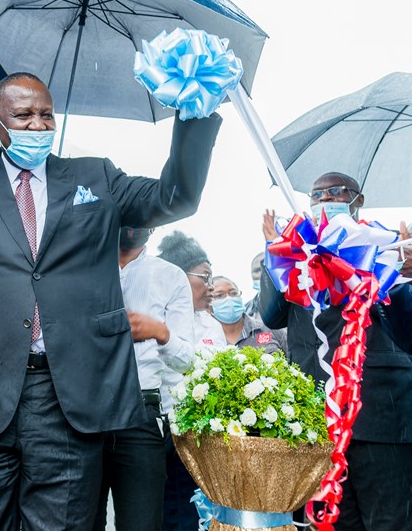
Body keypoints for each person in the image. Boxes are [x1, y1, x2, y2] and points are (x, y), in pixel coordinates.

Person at [0, 72, 222, 530]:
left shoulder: (96, 176)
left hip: (67, 396)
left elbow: (176, 197)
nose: (37, 125)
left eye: (46, 115)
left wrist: (192, 117)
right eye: (24, 115)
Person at [259, 172, 412, 530]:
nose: (326, 199)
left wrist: (399, 275)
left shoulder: (383, 245)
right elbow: (271, 315)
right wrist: (276, 252)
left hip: (388, 422)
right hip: (318, 428)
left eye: (335, 192)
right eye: (317, 194)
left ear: (358, 201)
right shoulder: (296, 257)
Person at [93, 226, 194, 531]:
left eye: (142, 218)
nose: (132, 225)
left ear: (154, 224)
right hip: (82, 413)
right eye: (125, 217)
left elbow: (187, 360)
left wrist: (160, 333)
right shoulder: (83, 267)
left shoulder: (171, 276)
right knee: (76, 521)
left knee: (142, 523)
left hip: (140, 413)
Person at [155, 231, 223, 531]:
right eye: (204, 277)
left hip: (210, 440)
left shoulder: (212, 323)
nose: (210, 287)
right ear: (177, 277)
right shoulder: (157, 320)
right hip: (170, 438)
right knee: (176, 514)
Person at [211, 276, 287, 353]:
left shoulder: (269, 329)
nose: (229, 299)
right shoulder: (206, 337)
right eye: (219, 295)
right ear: (208, 301)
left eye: (233, 293)